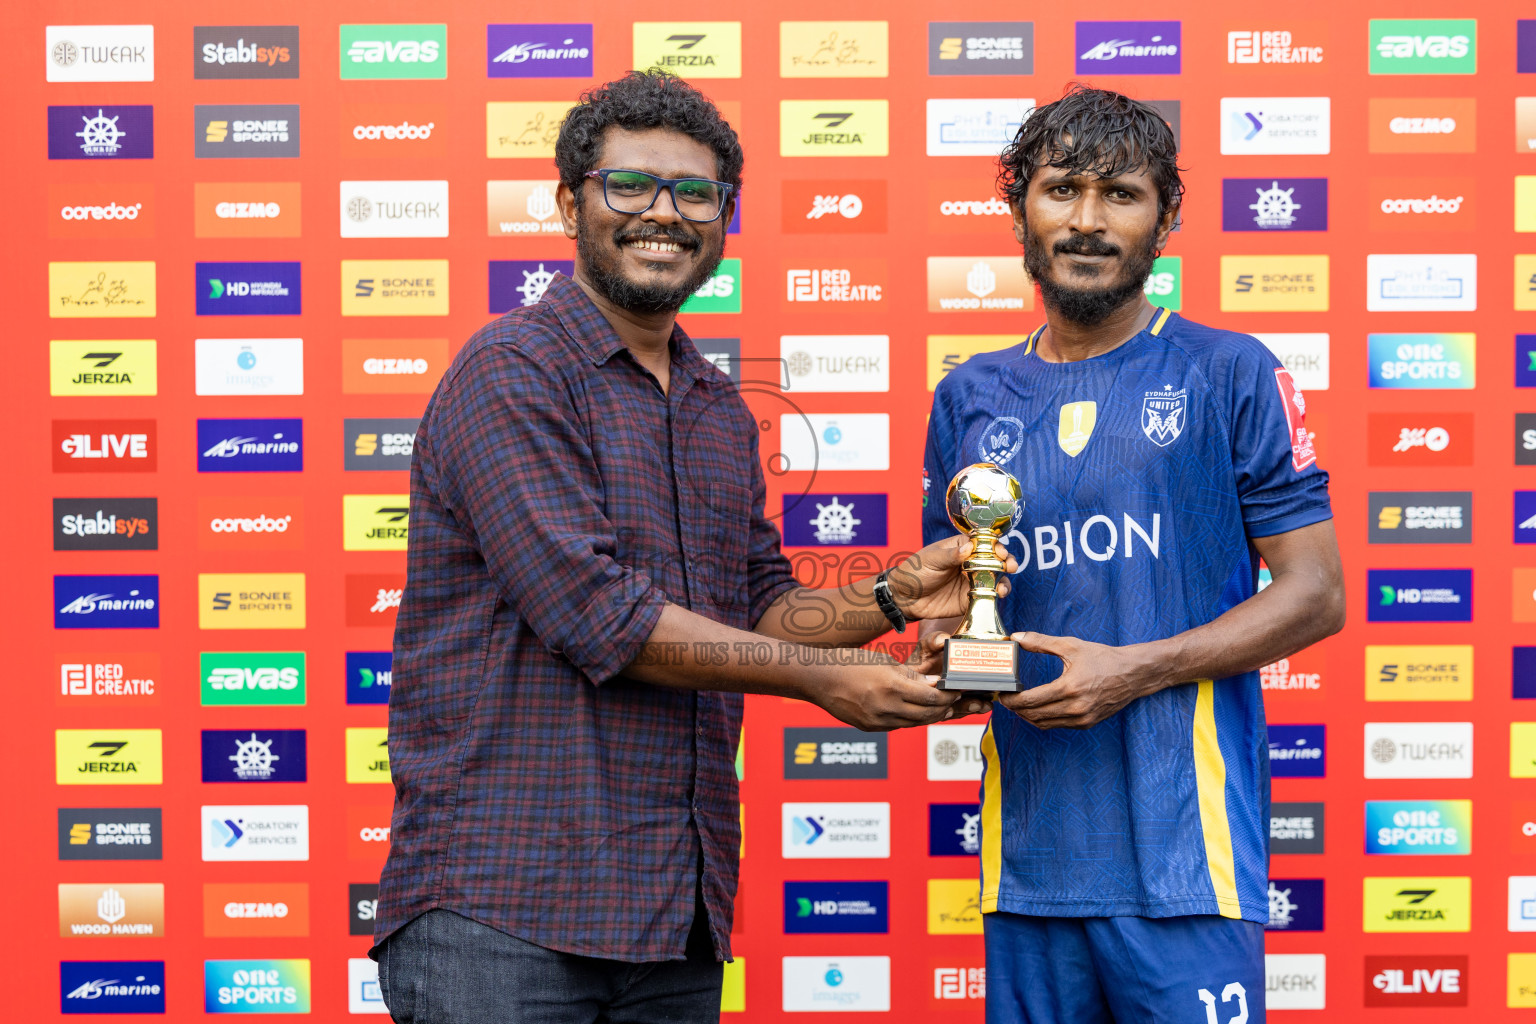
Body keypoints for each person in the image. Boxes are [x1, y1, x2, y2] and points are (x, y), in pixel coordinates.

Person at [370, 70, 1003, 1024]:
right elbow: (598, 614)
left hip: (678, 916)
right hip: (502, 913)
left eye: (695, 193)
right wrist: (818, 682)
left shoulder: (714, 408)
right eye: (630, 185)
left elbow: (759, 605)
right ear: (568, 202)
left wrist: (897, 594)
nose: (663, 213)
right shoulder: (510, 372)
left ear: (724, 219)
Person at [917, 86, 1345, 1024]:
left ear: (1166, 216)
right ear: (1020, 207)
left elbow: (1316, 595)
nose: (1085, 220)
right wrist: (941, 648)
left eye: (1120, 194)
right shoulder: (969, 396)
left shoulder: (1228, 370)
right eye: (1062, 189)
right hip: (1027, 863)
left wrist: (1134, 671)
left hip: (1188, 857)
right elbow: (957, 607)